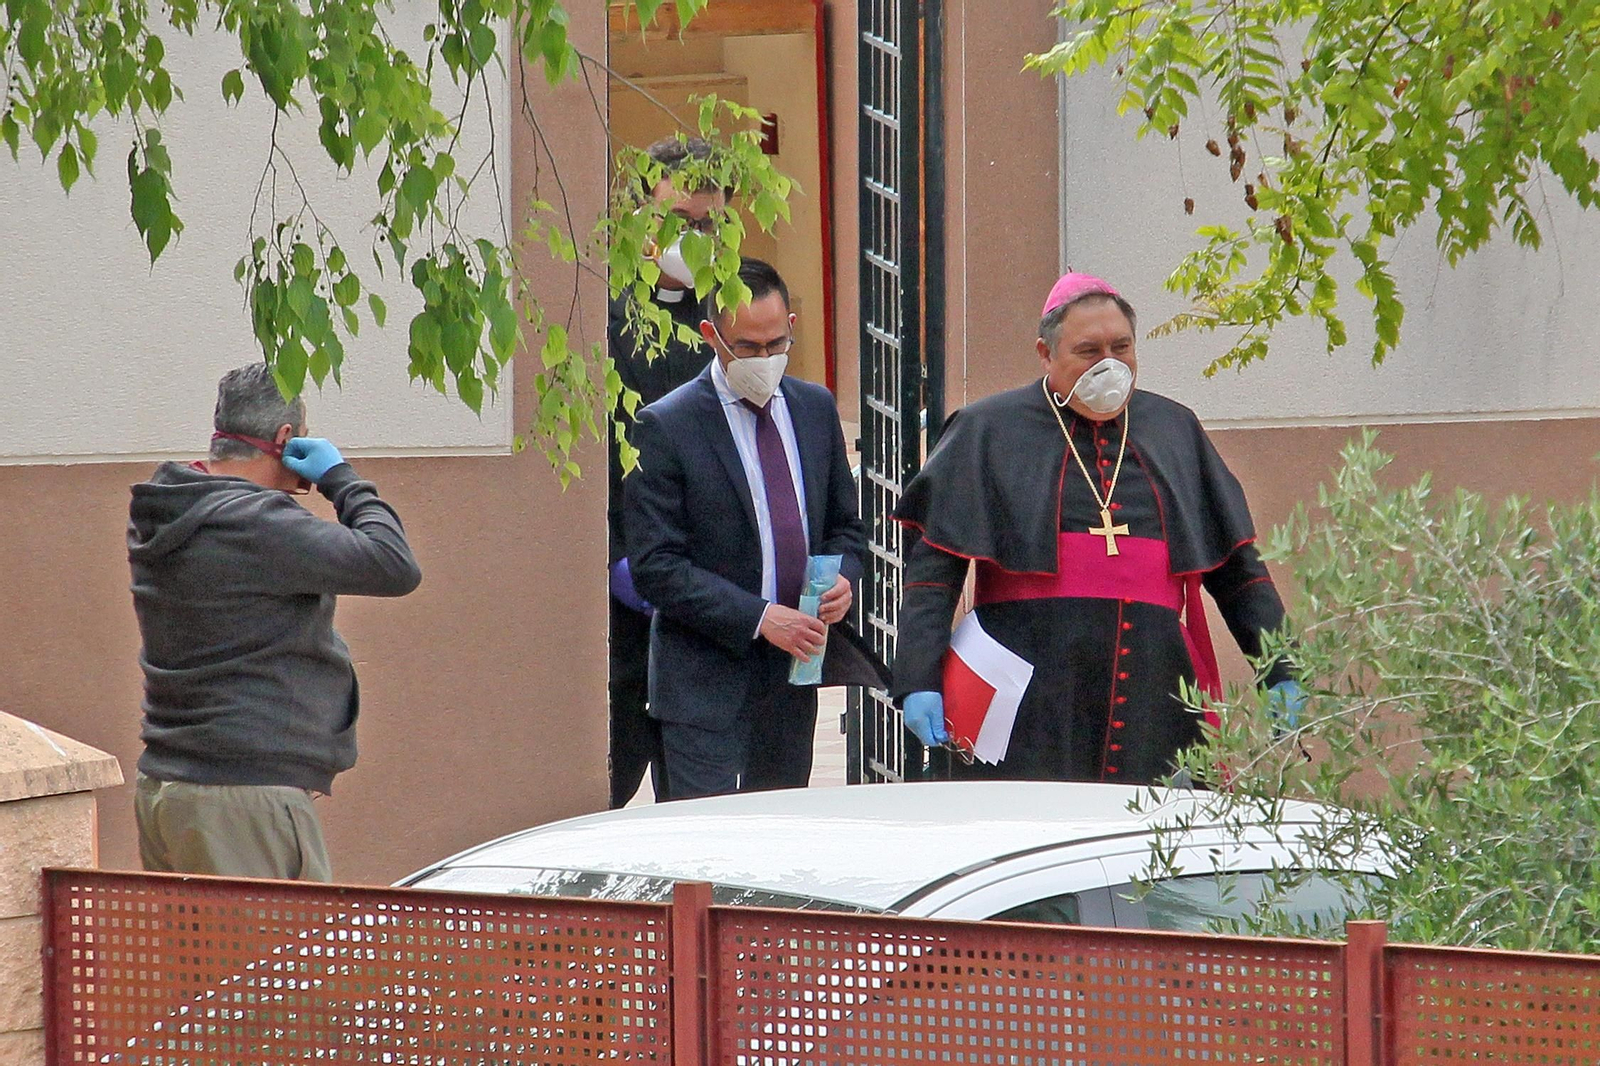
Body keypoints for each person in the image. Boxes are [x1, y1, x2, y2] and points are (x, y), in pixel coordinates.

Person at [891, 272, 1301, 785]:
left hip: (1156, 688)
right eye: (1088, 350)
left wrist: (1282, 668)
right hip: (1027, 693)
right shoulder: (988, 429)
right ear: (1046, 353)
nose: (1109, 363)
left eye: (1121, 347)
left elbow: (1237, 570)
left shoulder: (1175, 428)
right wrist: (918, 678)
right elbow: (934, 572)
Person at [128, 363, 422, 881]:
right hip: (243, 800)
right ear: (285, 438)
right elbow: (394, 565)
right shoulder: (257, 523)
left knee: (196, 964)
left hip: (168, 788)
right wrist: (342, 481)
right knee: (279, 963)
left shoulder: (167, 505)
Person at [625, 258, 867, 799]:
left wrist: (843, 578)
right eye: (748, 347)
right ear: (712, 336)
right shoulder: (668, 424)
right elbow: (656, 567)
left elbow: (846, 529)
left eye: (775, 345)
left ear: (792, 330)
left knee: (777, 839)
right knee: (701, 851)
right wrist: (759, 618)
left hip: (790, 681)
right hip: (702, 683)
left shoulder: (813, 408)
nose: (763, 359)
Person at [606, 135, 727, 808]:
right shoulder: (603, 317)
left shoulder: (736, 317)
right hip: (625, 600)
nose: (694, 238)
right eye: (679, 224)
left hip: (712, 592)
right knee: (613, 778)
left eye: (707, 225)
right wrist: (618, 557)